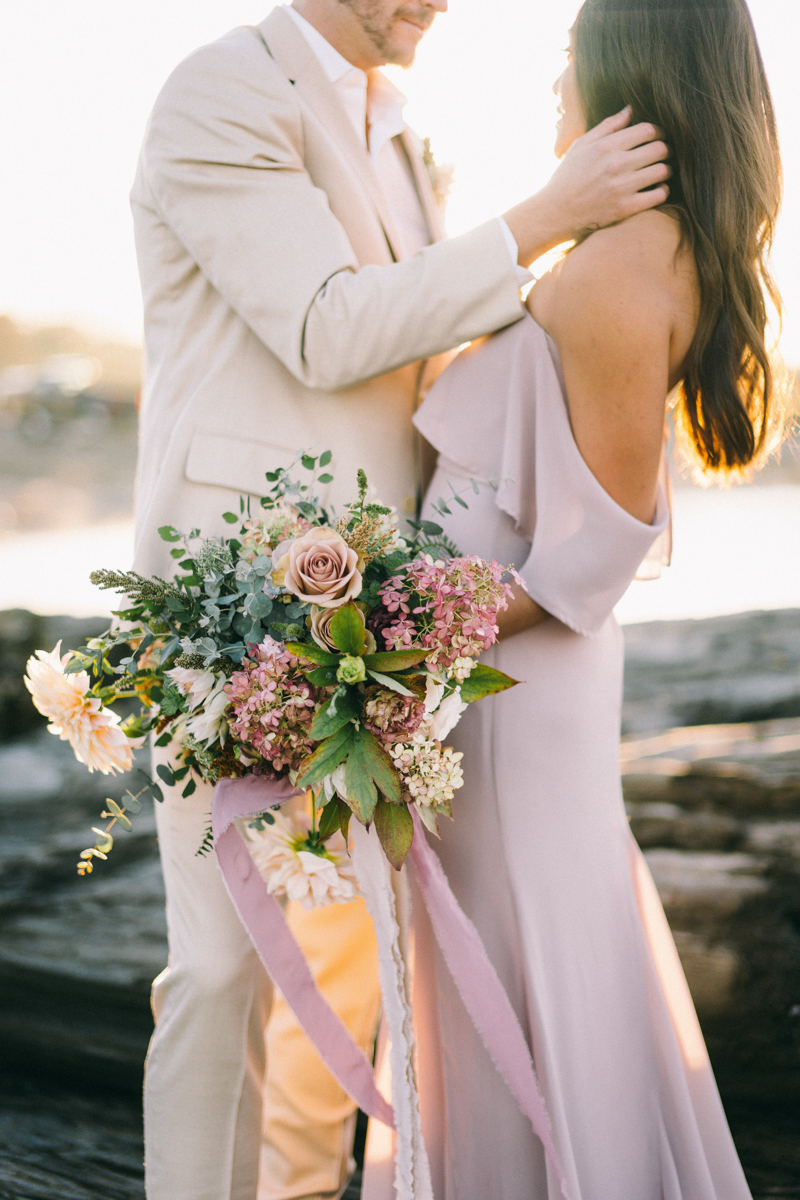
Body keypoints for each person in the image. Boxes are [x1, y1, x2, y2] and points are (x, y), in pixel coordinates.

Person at [129, 1, 671, 1196]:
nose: (440, 2)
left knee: (344, 968)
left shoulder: (400, 124)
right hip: (234, 601)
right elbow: (327, 331)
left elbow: (425, 367)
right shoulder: (225, 93)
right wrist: (547, 219)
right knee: (224, 971)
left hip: (375, 618)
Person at [401, 0, 785, 1196]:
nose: (549, 88)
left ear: (628, 80)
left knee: (523, 959)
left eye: (565, 61)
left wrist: (400, 634)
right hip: (496, 676)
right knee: (505, 954)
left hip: (510, 690)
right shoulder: (621, 247)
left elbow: (598, 545)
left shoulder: (624, 264)